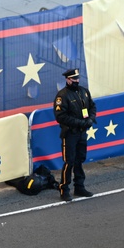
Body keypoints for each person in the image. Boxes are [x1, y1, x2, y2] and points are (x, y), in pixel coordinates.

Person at [53, 67, 97, 202]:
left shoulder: (84, 92)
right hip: (70, 134)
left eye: (77, 78)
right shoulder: (62, 96)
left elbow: (92, 106)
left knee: (80, 160)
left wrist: (90, 119)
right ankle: (64, 189)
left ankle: (79, 187)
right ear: (67, 80)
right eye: (73, 79)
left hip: (82, 133)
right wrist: (79, 123)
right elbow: (60, 116)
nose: (76, 81)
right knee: (69, 162)